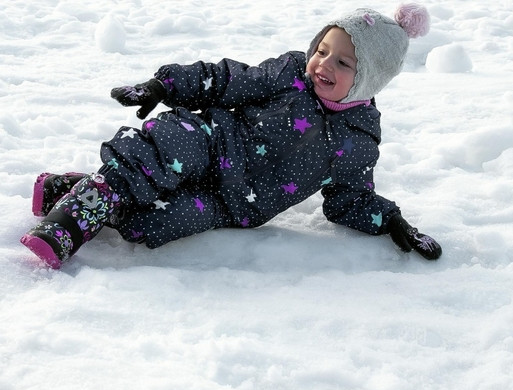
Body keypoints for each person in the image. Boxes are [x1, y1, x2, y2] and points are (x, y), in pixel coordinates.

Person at [21, 4, 442, 269]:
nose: (323, 64)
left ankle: (77, 189)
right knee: (162, 152)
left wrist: (391, 221)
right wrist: (164, 86)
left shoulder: (359, 138)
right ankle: (69, 222)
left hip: (234, 204)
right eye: (321, 50)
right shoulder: (290, 74)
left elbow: (351, 197)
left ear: (370, 78)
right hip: (210, 142)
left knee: (156, 221)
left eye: (343, 62)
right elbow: (225, 79)